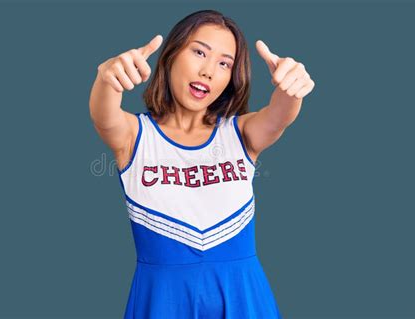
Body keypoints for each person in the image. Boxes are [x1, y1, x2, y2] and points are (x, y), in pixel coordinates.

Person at [89, 9, 314, 319]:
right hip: (163, 298)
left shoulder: (241, 134)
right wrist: (107, 80)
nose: (209, 71)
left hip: (243, 294)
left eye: (224, 63)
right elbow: (104, 114)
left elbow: (280, 115)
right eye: (199, 52)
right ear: (170, 55)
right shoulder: (134, 135)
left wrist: (292, 88)